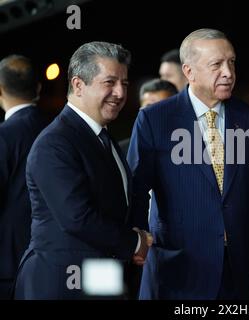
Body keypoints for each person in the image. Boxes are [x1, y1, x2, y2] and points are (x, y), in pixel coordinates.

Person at [128, 28, 249, 300]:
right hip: (176, 275)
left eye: (231, 62)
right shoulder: (154, 120)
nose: (228, 72)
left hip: (239, 276)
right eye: (216, 64)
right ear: (189, 71)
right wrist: (138, 244)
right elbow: (136, 191)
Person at [14, 41, 152, 300]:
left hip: (99, 279)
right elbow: (78, 217)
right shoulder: (54, 144)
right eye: (109, 82)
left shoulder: (101, 137)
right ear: (78, 85)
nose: (120, 93)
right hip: (58, 285)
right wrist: (135, 243)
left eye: (124, 83)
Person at [0, 55, 49, 299]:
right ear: (38, 88)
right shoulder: (59, 127)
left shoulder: (3, 136)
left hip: (9, 266)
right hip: (57, 258)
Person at [119, 78, 178, 155]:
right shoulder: (121, 152)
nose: (154, 114)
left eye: (162, 107)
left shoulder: (190, 150)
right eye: (149, 108)